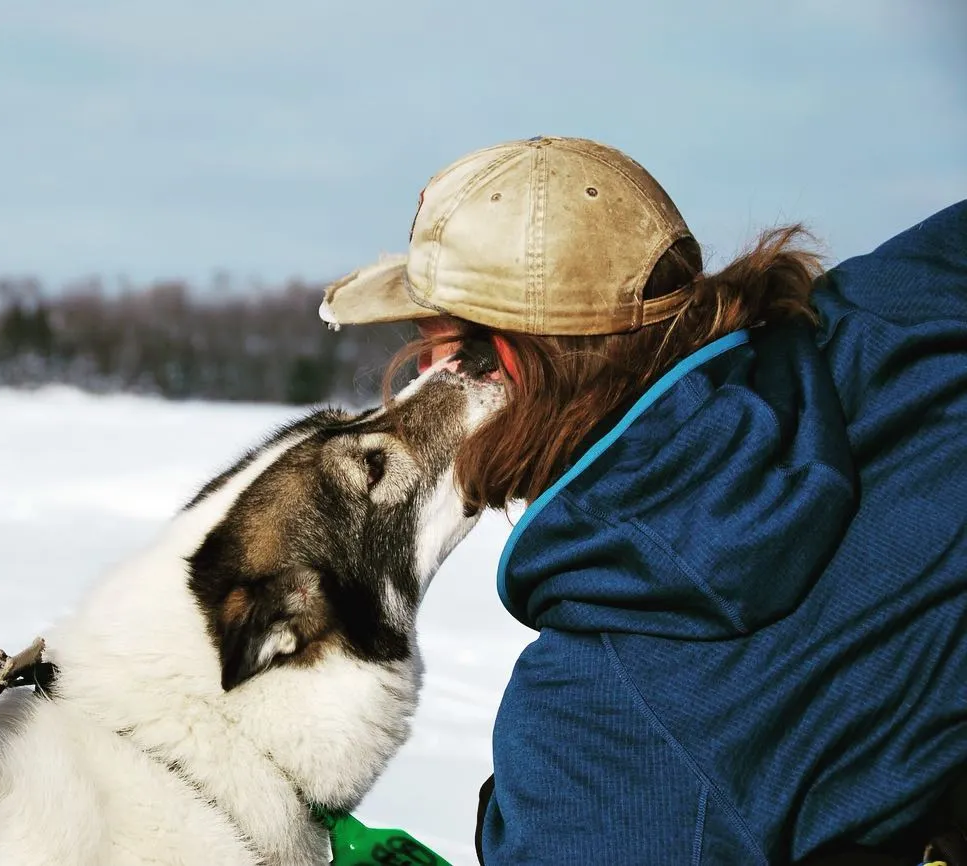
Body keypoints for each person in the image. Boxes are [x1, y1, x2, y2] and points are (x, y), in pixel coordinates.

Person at [318, 135, 967, 865]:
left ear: (501, 367)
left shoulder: (599, 726)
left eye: (433, 344)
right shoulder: (901, 306)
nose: (420, 381)